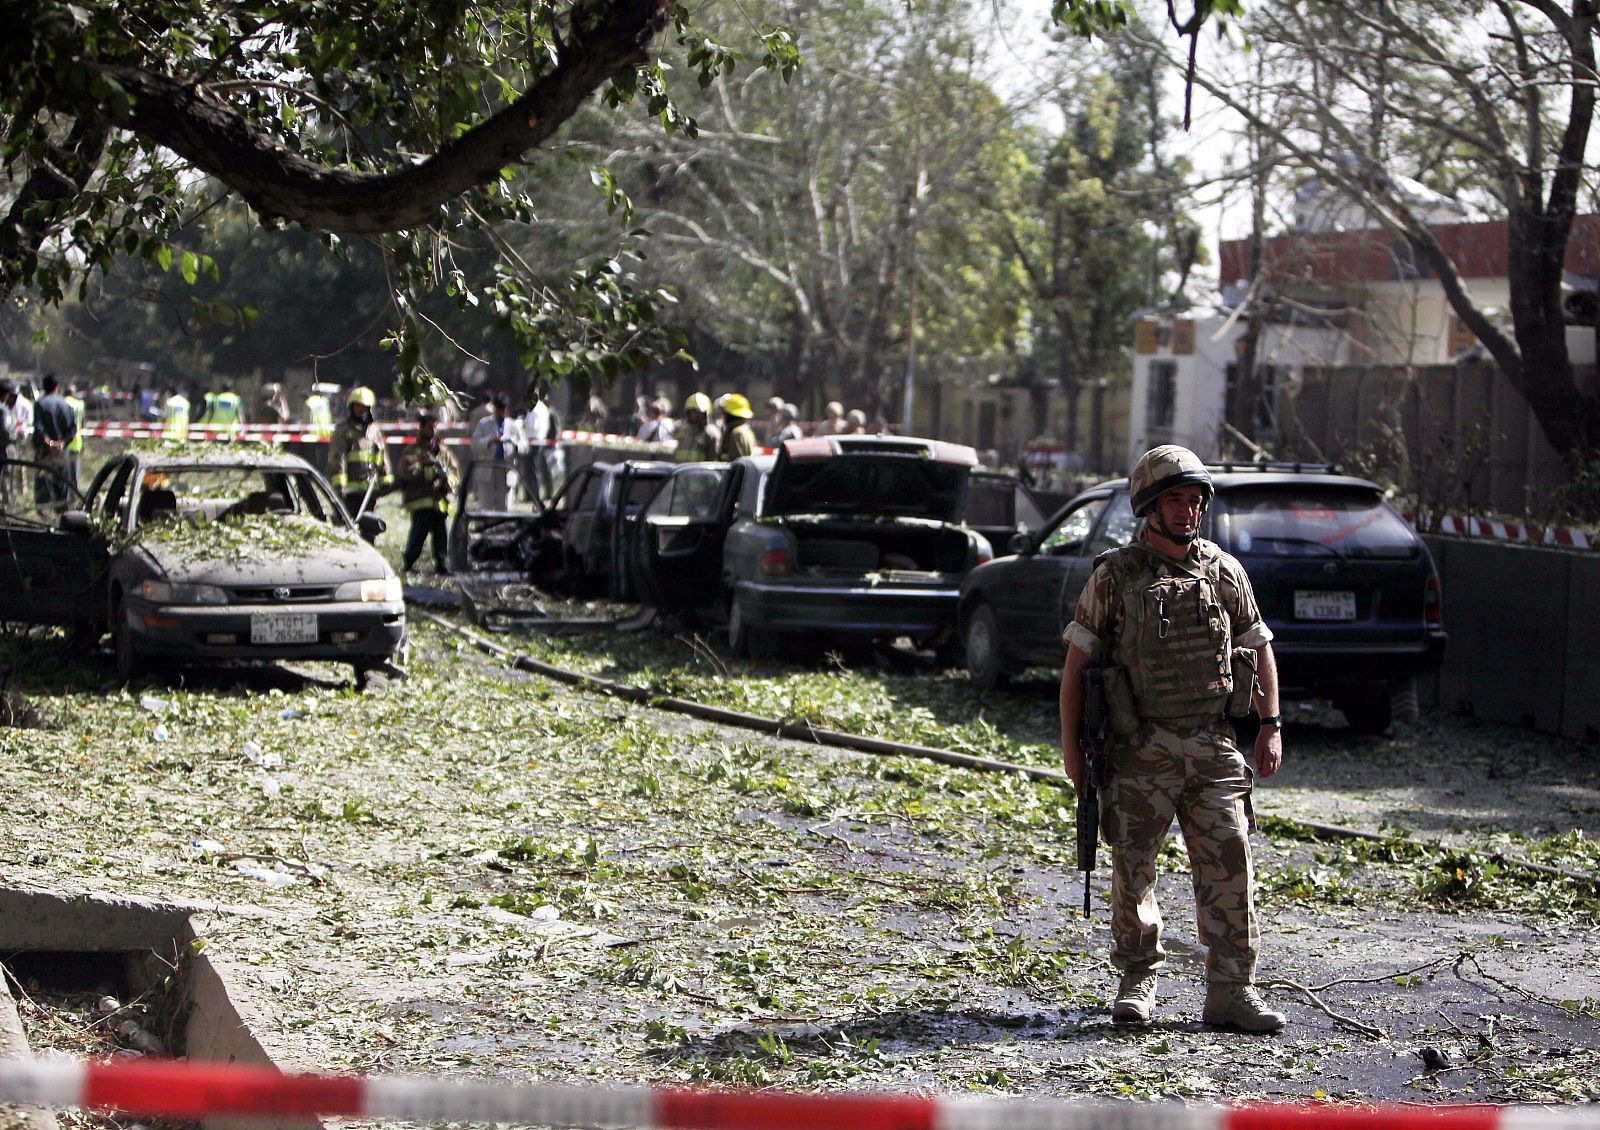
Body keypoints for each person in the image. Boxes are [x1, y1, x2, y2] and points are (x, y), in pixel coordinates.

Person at [1058, 444, 1287, 1034]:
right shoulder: (1114, 577)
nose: (1187, 512)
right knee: (1133, 870)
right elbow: (1076, 672)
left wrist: (1270, 725)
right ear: (1149, 508)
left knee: (1230, 866)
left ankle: (1232, 991)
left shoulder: (1224, 572)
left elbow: (1259, 648)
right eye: (1174, 501)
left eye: (1194, 500)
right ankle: (1136, 983)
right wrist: (1073, 754)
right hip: (1139, 750)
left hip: (1213, 746)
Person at [396, 411, 459, 575]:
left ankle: (442, 564)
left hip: (440, 502)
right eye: (429, 427)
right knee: (418, 536)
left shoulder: (443, 452)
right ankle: (408, 563)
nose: (432, 430)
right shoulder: (412, 451)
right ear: (421, 428)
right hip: (420, 501)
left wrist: (448, 481)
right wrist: (427, 468)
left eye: (434, 427)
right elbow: (406, 471)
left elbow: (454, 472)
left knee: (441, 536)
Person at [329, 386, 392, 521]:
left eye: (364, 407)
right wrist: (340, 487)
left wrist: (385, 478)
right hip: (349, 493)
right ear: (351, 408)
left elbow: (381, 455)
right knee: (348, 526)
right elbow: (337, 459)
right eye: (358, 407)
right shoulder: (344, 430)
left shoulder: (374, 431)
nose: (361, 410)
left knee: (370, 529)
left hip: (370, 491)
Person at [32, 374, 78, 509]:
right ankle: (62, 510)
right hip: (62, 451)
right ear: (57, 387)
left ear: (44, 387)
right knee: (62, 482)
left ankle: (44, 513)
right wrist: (62, 443)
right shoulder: (66, 405)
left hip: (45, 451)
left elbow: (39, 428)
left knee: (43, 481)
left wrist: (49, 443)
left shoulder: (40, 404)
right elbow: (73, 429)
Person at [469, 393, 517, 510]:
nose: (503, 411)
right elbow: (474, 444)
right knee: (486, 504)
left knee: (504, 504)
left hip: (505, 468)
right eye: (500, 408)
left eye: (505, 408)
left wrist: (511, 442)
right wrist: (489, 441)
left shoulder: (512, 425)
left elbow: (524, 446)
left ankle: (504, 527)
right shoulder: (484, 423)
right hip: (488, 468)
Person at [673, 393, 721, 463]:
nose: (693, 416)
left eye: (697, 413)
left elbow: (714, 459)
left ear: (706, 414)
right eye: (691, 412)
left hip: (701, 472)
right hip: (682, 471)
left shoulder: (711, 433)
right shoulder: (682, 431)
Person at [717, 393, 759, 461]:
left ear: (730, 415)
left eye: (725, 414)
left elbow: (737, 462)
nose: (723, 417)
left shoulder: (737, 433)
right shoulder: (746, 430)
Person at [63, 381, 86, 490]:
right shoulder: (80, 404)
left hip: (63, 443)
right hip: (77, 442)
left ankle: (66, 495)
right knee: (75, 473)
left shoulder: (62, 403)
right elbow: (83, 422)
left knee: (64, 473)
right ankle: (75, 494)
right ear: (73, 393)